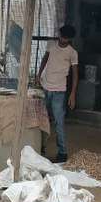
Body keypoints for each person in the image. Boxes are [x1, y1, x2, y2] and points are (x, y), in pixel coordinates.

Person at [36, 24, 79, 163]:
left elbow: (75, 74)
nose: (63, 40)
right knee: (42, 120)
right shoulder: (51, 45)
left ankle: (62, 153)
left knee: (59, 123)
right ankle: (40, 148)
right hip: (45, 87)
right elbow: (44, 59)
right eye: (62, 37)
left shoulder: (72, 53)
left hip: (60, 91)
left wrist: (72, 94)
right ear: (59, 35)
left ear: (70, 39)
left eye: (66, 38)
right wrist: (38, 75)